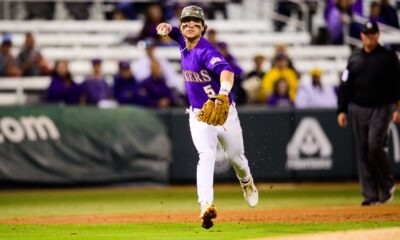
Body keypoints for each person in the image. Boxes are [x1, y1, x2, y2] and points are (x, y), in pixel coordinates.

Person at [156, 5, 258, 229]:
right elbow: (177, 32)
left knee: (236, 158)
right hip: (199, 114)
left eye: (196, 22)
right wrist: (167, 29)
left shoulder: (205, 50)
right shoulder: (183, 41)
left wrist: (222, 94)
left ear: (203, 28)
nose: (190, 25)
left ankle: (246, 181)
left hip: (224, 112)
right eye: (186, 22)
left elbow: (227, 71)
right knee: (206, 154)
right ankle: (206, 206)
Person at [337, 21, 400, 206]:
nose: (368, 37)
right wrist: (341, 109)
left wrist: (398, 108)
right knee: (363, 150)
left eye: (372, 34)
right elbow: (345, 85)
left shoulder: (388, 57)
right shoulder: (354, 57)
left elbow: (397, 85)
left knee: (374, 146)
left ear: (378, 36)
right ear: (362, 35)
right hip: (358, 108)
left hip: (382, 107)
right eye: (366, 34)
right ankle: (370, 195)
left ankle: (386, 185)